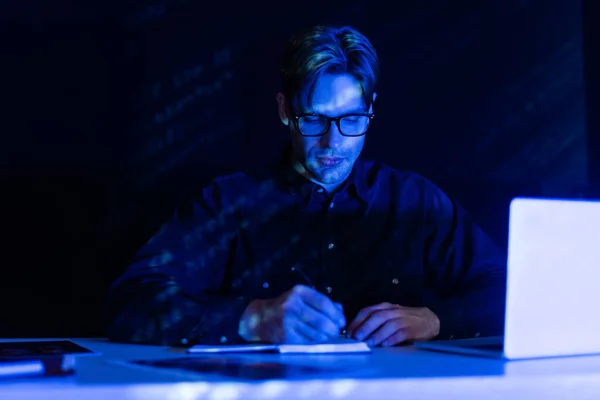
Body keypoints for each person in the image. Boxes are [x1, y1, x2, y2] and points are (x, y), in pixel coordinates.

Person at [106, 25, 507, 348]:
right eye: (313, 120)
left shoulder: (416, 202)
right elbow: (132, 301)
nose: (333, 143)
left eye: (351, 120)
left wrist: (436, 320)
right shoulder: (228, 203)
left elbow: (510, 294)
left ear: (371, 110)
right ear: (285, 110)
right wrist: (252, 318)